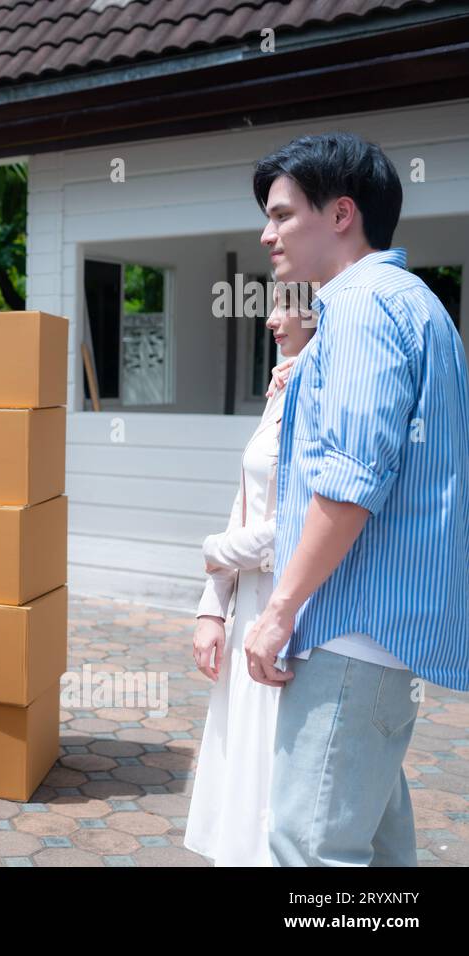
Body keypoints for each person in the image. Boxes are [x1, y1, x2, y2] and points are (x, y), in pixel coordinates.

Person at [245, 133, 469, 866]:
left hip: (352, 631)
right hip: (384, 639)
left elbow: (347, 486)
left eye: (282, 215)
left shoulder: (365, 308)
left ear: (341, 213)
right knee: (374, 846)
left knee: (310, 850)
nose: (266, 233)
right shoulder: (414, 306)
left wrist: (278, 614)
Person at [186, 287, 316, 866]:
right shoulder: (283, 384)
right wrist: (212, 607)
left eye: (286, 305)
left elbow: (301, 523)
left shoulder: (321, 391)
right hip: (249, 613)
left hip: (293, 617)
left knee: (272, 789)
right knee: (238, 778)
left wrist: (217, 550)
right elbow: (247, 501)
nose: (269, 319)